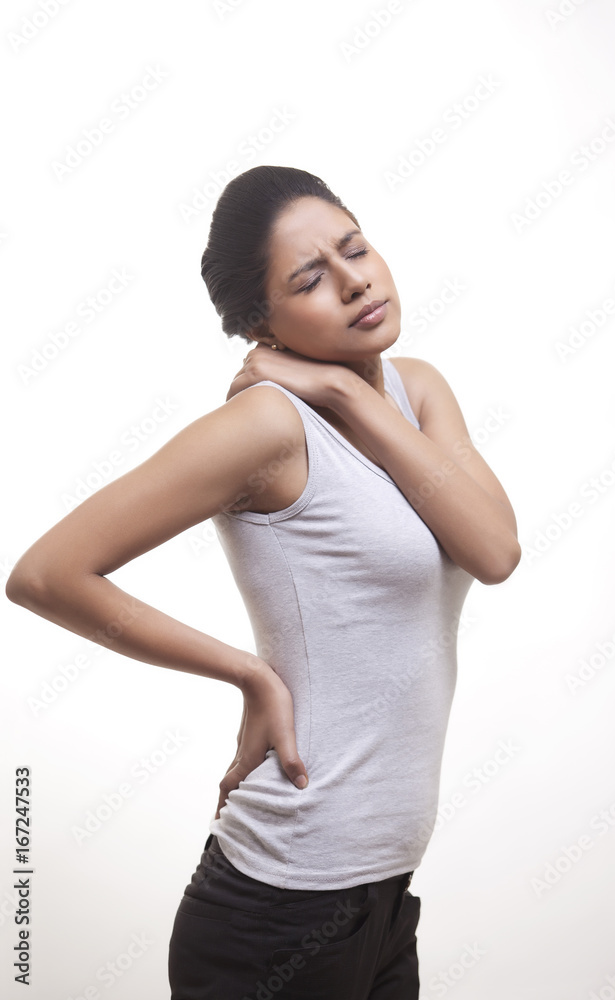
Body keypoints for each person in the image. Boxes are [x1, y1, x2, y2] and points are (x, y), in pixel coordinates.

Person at [5, 164, 521, 999]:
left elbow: (494, 551)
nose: (354, 281)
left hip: (385, 902)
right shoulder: (265, 427)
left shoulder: (415, 391)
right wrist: (247, 672)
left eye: (355, 248)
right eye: (309, 280)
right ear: (258, 324)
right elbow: (44, 575)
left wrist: (346, 394)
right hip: (277, 909)